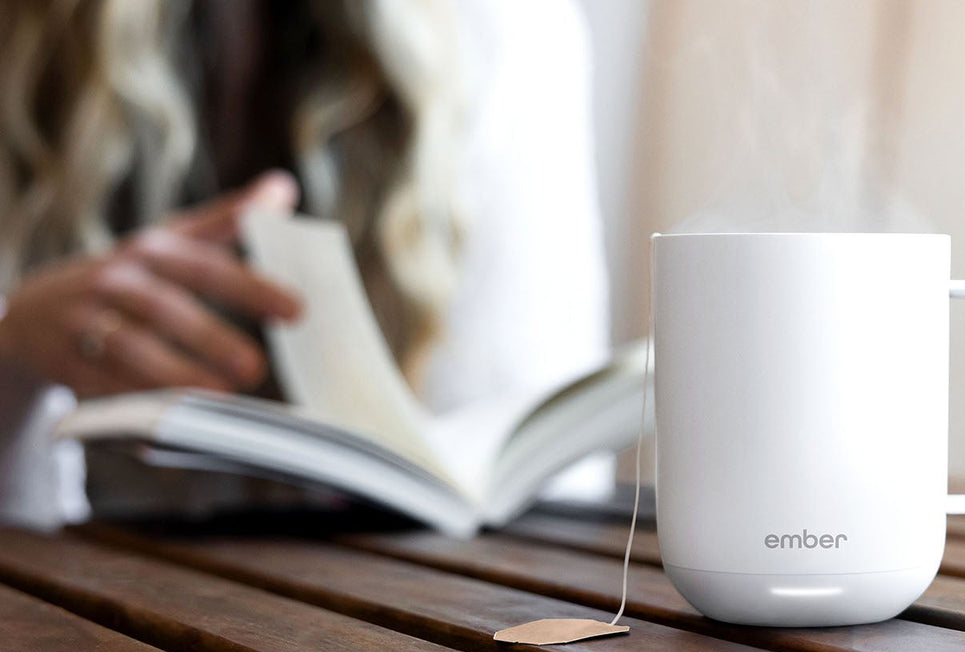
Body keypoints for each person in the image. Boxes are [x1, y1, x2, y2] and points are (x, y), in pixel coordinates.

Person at [0, 0, 610, 529]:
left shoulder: (496, 29)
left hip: (379, 585)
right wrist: (15, 351)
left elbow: (523, 451)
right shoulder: (25, 40)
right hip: (88, 577)